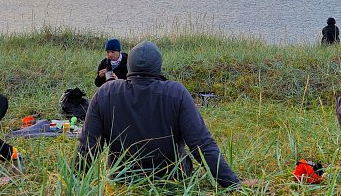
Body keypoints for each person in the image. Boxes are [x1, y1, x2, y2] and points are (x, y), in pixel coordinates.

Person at [77, 41, 242, 187]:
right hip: (172, 179)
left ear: (129, 66)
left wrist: (74, 184)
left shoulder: (106, 93)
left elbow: (88, 147)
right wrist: (233, 184)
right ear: (158, 66)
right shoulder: (177, 93)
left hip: (123, 180)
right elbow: (202, 144)